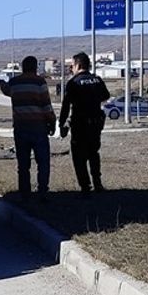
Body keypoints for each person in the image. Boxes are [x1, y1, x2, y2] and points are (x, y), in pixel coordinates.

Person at [0, 56, 56, 201]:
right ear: (35, 67)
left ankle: (25, 193)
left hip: (21, 127)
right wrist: (52, 121)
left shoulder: (15, 82)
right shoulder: (40, 82)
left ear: (23, 67)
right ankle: (42, 191)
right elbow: (46, 105)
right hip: (38, 127)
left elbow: (7, 91)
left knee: (23, 163)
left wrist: (2, 83)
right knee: (43, 162)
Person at [59, 52, 111, 197]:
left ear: (78, 65)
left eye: (72, 66)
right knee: (93, 153)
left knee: (79, 156)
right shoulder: (97, 80)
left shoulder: (74, 83)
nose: (71, 69)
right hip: (95, 123)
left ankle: (85, 185)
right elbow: (105, 96)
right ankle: (97, 183)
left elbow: (66, 105)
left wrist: (61, 124)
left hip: (79, 124)